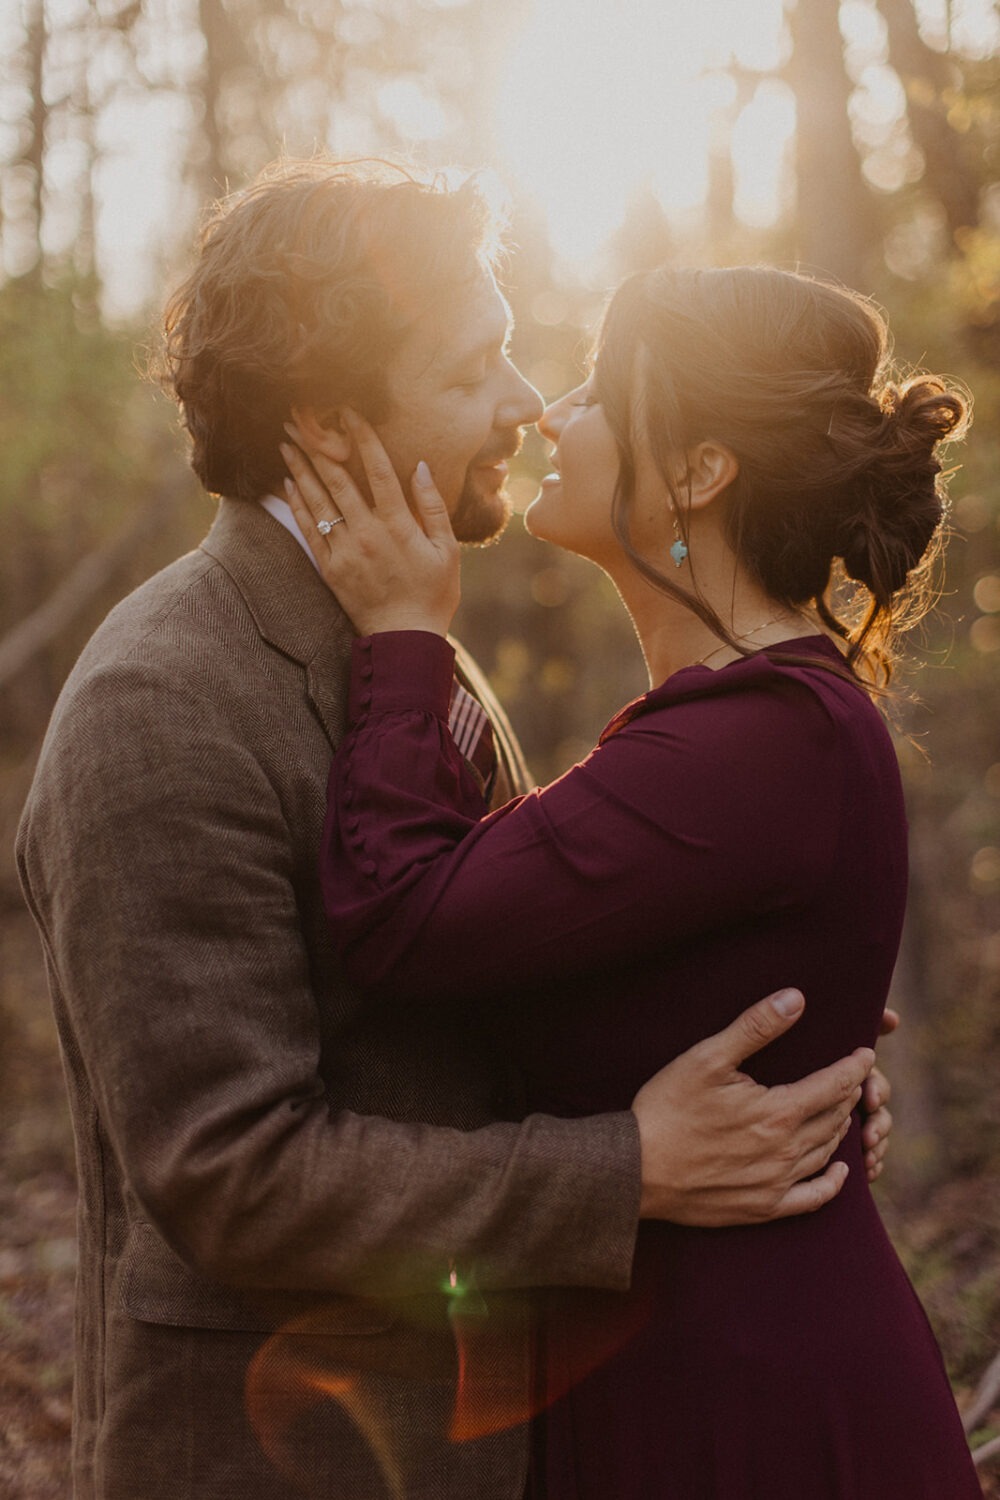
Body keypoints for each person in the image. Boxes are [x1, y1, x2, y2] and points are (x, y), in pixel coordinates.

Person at [16, 161, 889, 1500]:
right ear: (327, 419)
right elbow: (233, 1176)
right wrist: (633, 1169)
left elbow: (503, 988)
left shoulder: (408, 648)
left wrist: (785, 1067)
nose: (527, 404)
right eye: (476, 364)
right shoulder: (164, 703)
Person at [282, 261, 979, 1496]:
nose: (553, 411)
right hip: (679, 1367)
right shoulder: (739, 724)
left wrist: (401, 637)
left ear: (702, 471)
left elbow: (399, 923)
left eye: (602, 390)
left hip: (751, 1402)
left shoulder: (760, 736)